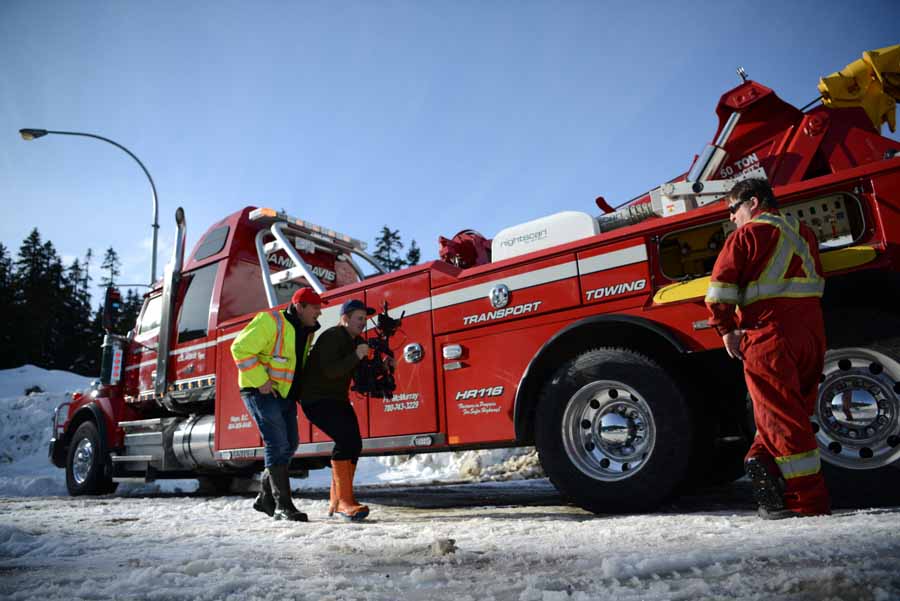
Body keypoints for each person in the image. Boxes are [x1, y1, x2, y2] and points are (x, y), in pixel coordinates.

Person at [705, 177, 830, 520]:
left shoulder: (745, 236)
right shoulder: (803, 233)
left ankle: (807, 502)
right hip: (811, 335)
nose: (731, 217)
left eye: (733, 209)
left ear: (754, 203)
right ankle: (759, 459)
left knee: (780, 416)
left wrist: (726, 330)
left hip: (769, 335)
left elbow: (718, 293)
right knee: (791, 412)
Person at [230, 287, 323, 522]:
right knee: (276, 442)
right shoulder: (270, 321)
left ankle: (264, 497)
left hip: (284, 394)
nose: (319, 313)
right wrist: (261, 381)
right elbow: (239, 348)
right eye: (315, 308)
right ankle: (283, 506)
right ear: (300, 307)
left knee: (290, 443)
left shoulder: (306, 330)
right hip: (259, 390)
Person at [301, 299, 376, 521]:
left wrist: (383, 363)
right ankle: (345, 502)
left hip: (336, 399)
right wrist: (357, 355)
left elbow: (360, 371)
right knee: (346, 442)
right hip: (316, 400)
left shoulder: (355, 340)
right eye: (359, 318)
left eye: (365, 319)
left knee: (354, 443)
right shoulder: (333, 337)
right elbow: (331, 371)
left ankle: (338, 501)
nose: (363, 323)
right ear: (345, 319)